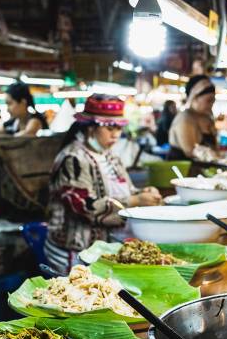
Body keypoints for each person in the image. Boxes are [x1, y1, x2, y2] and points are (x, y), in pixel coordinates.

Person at [44, 94, 161, 273]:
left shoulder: (110, 156)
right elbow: (84, 207)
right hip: (74, 252)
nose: (115, 134)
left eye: (119, 128)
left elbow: (128, 190)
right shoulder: (73, 159)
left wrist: (144, 192)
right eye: (109, 128)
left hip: (103, 249)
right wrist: (136, 201)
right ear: (90, 128)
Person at [168, 75, 217, 159]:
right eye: (208, 100)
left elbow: (215, 148)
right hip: (182, 170)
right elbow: (190, 152)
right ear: (194, 97)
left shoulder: (207, 118)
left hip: (204, 170)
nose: (212, 104)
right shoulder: (185, 118)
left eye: (213, 100)